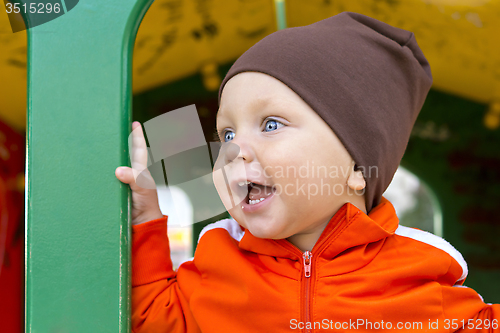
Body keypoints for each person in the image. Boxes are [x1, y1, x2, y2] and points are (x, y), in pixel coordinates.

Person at [115, 11, 499, 332]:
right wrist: (147, 217)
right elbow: (153, 320)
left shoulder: (423, 284)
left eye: (270, 125)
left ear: (357, 169)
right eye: (226, 132)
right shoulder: (215, 271)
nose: (233, 150)